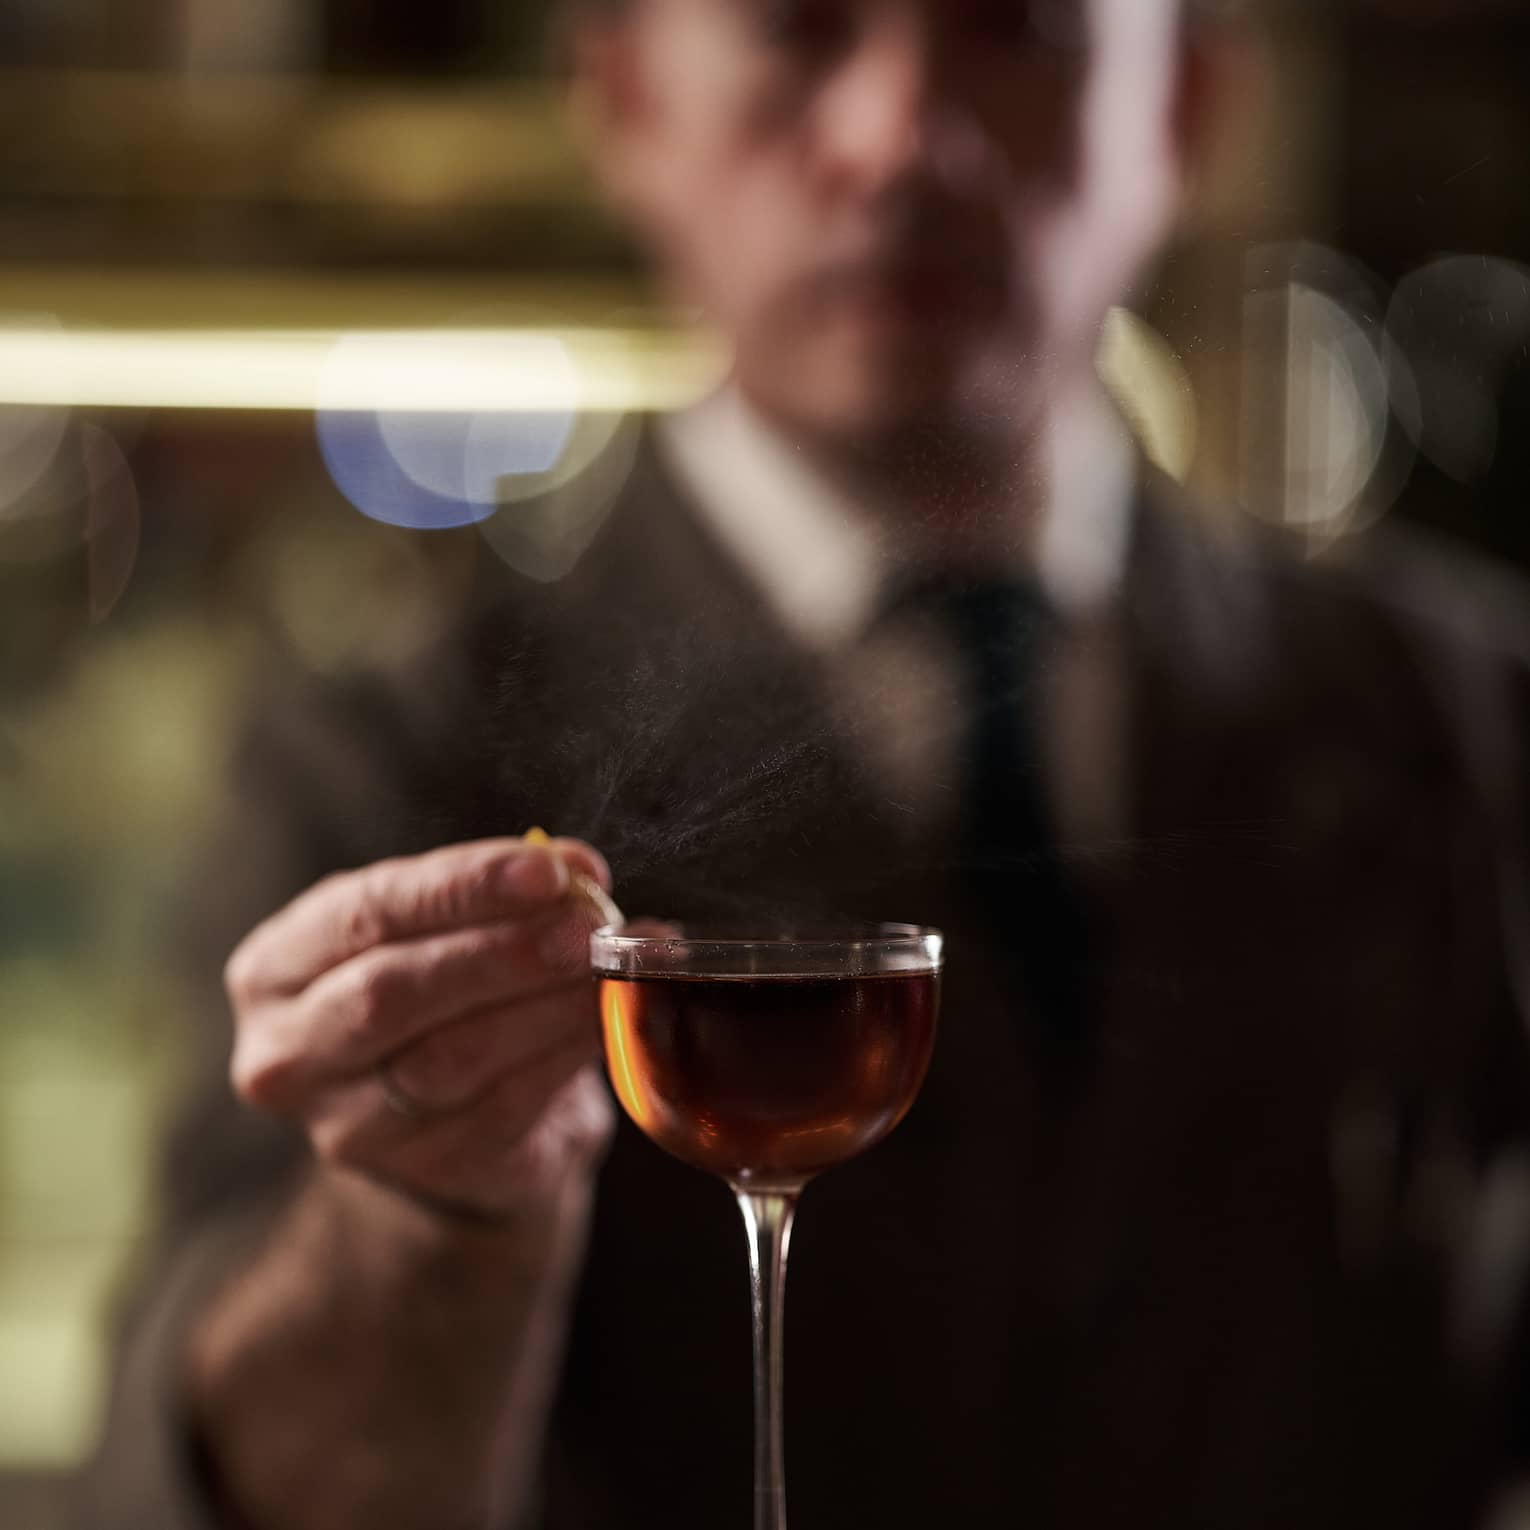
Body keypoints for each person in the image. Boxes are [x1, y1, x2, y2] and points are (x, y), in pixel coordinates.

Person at [80, 1, 1530, 1527]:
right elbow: (215, 1483)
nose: (899, 135)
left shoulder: (1466, 724)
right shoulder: (385, 759)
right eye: (795, 29)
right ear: (627, 98)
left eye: (1014, 31)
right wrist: (428, 1218)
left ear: (1181, 111)